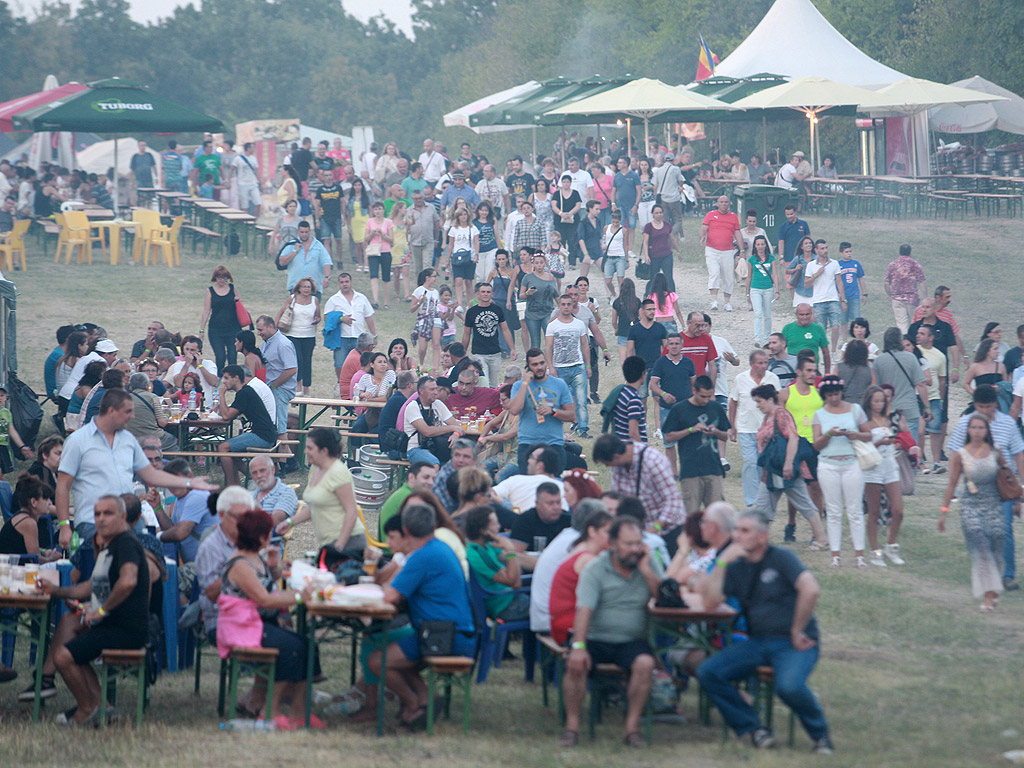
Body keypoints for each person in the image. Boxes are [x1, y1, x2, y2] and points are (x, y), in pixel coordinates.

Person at [698, 510, 833, 754]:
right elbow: (710, 603)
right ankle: (754, 728)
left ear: (762, 537)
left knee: (789, 686)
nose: (737, 536)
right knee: (709, 672)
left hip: (795, 641)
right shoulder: (737, 567)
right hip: (758, 643)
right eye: (736, 530)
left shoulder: (781, 558)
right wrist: (721, 562)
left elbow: (810, 589)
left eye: (745, 531)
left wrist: (797, 629)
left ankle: (821, 736)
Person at [56, 389, 216, 554]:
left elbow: (151, 474)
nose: (133, 416)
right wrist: (64, 526)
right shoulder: (77, 441)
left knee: (151, 560)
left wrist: (189, 483)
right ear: (111, 411)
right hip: (93, 521)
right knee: (106, 569)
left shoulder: (128, 440)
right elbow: (63, 486)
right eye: (128, 412)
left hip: (129, 519)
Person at [39, 495, 151, 726]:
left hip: (127, 628)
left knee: (63, 656)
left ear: (122, 517)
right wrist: (56, 591)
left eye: (107, 513)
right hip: (113, 624)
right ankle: (103, 707)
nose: (101, 519)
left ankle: (87, 709)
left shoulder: (126, 543)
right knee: (70, 636)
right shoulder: (109, 545)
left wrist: (101, 611)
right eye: (97, 513)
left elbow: (128, 581)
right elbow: (88, 587)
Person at [368, 503, 476, 730]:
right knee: (395, 654)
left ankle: (415, 705)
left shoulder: (422, 556)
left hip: (445, 635)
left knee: (378, 661)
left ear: (406, 530)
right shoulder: (439, 547)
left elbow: (389, 596)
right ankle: (426, 699)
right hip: (456, 631)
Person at [558, 516, 660, 749]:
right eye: (628, 544)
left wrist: (645, 570)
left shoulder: (646, 565)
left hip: (631, 641)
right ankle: (572, 727)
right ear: (613, 544)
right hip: (595, 638)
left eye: (638, 543)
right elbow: (584, 610)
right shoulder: (595, 569)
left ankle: (632, 729)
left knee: (645, 663)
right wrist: (579, 647)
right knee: (576, 664)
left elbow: (662, 600)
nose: (635, 549)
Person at [219, 509, 320, 729]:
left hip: (257, 623)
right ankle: (269, 712)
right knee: (292, 648)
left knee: (308, 645)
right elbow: (264, 598)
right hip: (242, 628)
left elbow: (266, 583)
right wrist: (300, 597)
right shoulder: (240, 565)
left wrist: (274, 566)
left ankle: (298, 711)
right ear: (262, 536)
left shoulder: (253, 557)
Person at [949, 384, 1024, 591]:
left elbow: (1018, 454)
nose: (984, 411)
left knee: (1004, 529)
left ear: (995, 405)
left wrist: (1021, 487)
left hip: (1002, 484)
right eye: (980, 407)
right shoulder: (966, 423)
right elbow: (955, 455)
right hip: (976, 485)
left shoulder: (1007, 424)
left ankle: (1006, 575)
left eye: (988, 407)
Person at [811, 374, 871, 568]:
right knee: (834, 511)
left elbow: (869, 434)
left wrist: (856, 435)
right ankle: (835, 555)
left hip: (851, 463)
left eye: (836, 394)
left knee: (855, 510)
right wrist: (829, 434)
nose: (834, 398)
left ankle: (859, 555)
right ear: (825, 395)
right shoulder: (819, 415)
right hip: (828, 464)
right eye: (830, 395)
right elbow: (816, 444)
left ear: (841, 393)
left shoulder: (855, 410)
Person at [281, 427, 364, 553]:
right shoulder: (316, 469)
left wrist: (339, 546)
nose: (305, 452)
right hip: (329, 543)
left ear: (324, 451)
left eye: (310, 448)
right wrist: (289, 523)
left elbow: (351, 511)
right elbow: (314, 506)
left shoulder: (338, 472)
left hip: (349, 542)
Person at [593, 434, 686, 541]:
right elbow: (617, 498)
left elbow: (673, 501)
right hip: (638, 529)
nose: (608, 467)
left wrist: (655, 528)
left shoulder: (653, 462)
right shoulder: (619, 465)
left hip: (667, 530)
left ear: (617, 457)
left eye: (607, 464)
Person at [663, 375, 730, 513]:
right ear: (694, 390)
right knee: (690, 515)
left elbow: (725, 436)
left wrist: (715, 431)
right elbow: (669, 437)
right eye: (703, 396)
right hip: (690, 470)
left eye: (709, 396)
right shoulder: (679, 409)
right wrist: (691, 430)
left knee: (717, 515)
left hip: (713, 469)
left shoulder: (715, 408)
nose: (706, 400)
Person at [857, 386, 907, 567]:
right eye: (876, 401)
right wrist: (879, 442)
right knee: (874, 512)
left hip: (890, 465)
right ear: (869, 402)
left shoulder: (889, 419)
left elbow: (903, 433)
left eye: (882, 401)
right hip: (872, 468)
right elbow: (863, 448)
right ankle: (875, 551)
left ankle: (891, 545)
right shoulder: (865, 423)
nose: (879, 404)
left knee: (898, 510)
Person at [548, 508, 613, 644]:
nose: (613, 537)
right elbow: (608, 593)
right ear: (592, 532)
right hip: (570, 625)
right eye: (608, 532)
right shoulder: (588, 559)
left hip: (562, 620)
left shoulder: (580, 549)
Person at [508, 349, 575, 474]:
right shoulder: (519, 386)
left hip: (553, 444)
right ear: (528, 367)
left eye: (542, 363)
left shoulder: (559, 384)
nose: (539, 367)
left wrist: (553, 411)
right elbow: (514, 410)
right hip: (527, 444)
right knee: (528, 487)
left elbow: (571, 416)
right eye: (534, 364)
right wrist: (525, 383)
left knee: (552, 486)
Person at [729, 350, 781, 508]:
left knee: (764, 464)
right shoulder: (740, 379)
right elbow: (733, 402)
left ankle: (764, 496)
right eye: (760, 363)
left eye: (766, 363)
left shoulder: (773, 379)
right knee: (751, 463)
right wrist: (732, 426)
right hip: (746, 428)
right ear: (751, 363)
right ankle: (752, 500)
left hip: (767, 430)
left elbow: (778, 403)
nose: (764, 366)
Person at [211, 365, 278, 485]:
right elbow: (229, 412)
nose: (223, 382)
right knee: (232, 453)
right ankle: (249, 481)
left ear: (236, 378)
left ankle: (231, 487)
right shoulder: (245, 391)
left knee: (222, 448)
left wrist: (221, 395)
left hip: (263, 436)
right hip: (265, 433)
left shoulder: (244, 393)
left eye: (226, 378)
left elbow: (226, 416)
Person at [465, 505, 530, 620]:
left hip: (511, 597)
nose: (499, 527)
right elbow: (514, 583)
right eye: (494, 523)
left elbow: (517, 576)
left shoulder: (487, 545)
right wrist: (510, 550)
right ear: (482, 530)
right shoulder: (478, 553)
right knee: (551, 607)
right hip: (505, 605)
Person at [545, 294, 592, 439]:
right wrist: (551, 367)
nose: (565, 307)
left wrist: (588, 365)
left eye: (568, 304)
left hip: (577, 366)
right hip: (559, 367)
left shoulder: (579, 324)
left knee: (581, 399)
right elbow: (548, 348)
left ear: (573, 306)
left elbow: (585, 345)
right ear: (559, 306)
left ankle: (583, 427)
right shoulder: (552, 326)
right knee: (557, 400)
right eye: (563, 304)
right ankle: (553, 428)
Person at [256, 315, 299, 472]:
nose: (259, 333)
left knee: (280, 427)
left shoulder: (283, 344)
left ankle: (283, 464)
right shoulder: (266, 344)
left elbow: (292, 369)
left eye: (261, 330)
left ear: (271, 327)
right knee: (276, 425)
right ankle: (290, 462)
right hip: (273, 389)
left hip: (280, 390)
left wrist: (274, 385)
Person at [874, 327, 930, 438]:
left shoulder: (879, 361)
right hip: (909, 407)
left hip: (888, 409)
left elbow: (876, 387)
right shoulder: (911, 358)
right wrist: (927, 407)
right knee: (911, 445)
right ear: (900, 341)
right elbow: (921, 384)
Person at [323, 272, 376, 379]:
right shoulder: (334, 299)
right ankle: (340, 382)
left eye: (347, 281)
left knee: (362, 363)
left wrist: (374, 336)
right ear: (339, 284)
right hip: (341, 337)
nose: (344, 284)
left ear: (351, 282)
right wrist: (341, 319)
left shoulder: (361, 298)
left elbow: (369, 317)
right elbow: (326, 318)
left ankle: (360, 383)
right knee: (339, 363)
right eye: (342, 282)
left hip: (359, 337)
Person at [462, 282, 516, 387]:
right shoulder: (471, 312)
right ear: (477, 294)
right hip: (478, 353)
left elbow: (505, 329)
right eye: (483, 292)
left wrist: (512, 348)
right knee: (484, 383)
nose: (485, 294)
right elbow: (466, 334)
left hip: (495, 352)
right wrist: (463, 352)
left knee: (493, 385)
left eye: (488, 292)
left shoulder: (497, 309)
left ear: (492, 294)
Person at [404, 375, 463, 466]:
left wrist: (456, 434)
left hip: (437, 447)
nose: (436, 393)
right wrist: (451, 428)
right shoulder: (413, 407)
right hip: (417, 449)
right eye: (432, 390)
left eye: (436, 389)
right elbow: (427, 431)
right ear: (421, 390)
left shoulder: (438, 404)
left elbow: (458, 427)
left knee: (459, 463)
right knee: (434, 464)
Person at [277, 277, 320, 398]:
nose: (306, 289)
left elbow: (318, 315)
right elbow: (281, 312)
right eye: (304, 287)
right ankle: (298, 387)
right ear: (299, 288)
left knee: (307, 361)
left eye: (308, 287)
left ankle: (307, 388)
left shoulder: (314, 300)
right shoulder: (292, 298)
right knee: (298, 361)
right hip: (293, 334)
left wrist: (317, 320)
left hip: (309, 335)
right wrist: (276, 326)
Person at [700, 195, 745, 312]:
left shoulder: (733, 217)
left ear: (729, 204)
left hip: (728, 250)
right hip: (712, 250)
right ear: (718, 203)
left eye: (726, 202)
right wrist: (702, 236)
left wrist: (742, 250)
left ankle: (727, 302)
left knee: (728, 276)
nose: (724, 204)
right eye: (722, 202)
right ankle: (714, 300)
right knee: (714, 273)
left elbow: (737, 233)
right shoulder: (710, 215)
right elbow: (703, 228)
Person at [803, 239, 845, 356]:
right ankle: (824, 352)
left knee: (836, 326)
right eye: (822, 248)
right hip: (818, 301)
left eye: (826, 248)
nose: (825, 250)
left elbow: (839, 281)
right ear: (816, 250)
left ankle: (833, 351)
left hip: (833, 299)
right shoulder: (811, 265)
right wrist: (816, 274)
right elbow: (806, 284)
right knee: (822, 330)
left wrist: (843, 299)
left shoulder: (834, 263)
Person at [0, 473, 58, 559]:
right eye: (46, 499)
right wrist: (52, 559)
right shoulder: (28, 523)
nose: (50, 503)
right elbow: (34, 559)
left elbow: (31, 548)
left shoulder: (24, 517)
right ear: (33, 502)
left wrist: (44, 552)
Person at [278, 221, 332, 297]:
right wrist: (295, 251)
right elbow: (282, 262)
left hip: (314, 287)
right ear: (298, 232)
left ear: (309, 231)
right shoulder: (292, 244)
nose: (304, 234)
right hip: (296, 286)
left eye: (306, 232)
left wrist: (326, 277)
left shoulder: (318, 246)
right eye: (302, 232)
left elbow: (326, 262)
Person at [883, 244, 926, 334]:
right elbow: (922, 282)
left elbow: (886, 283)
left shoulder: (892, 265)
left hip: (897, 298)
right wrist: (925, 298)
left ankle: (905, 344)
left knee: (902, 325)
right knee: (915, 323)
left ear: (899, 252)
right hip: (912, 299)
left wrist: (890, 294)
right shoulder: (915, 264)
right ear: (910, 253)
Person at [747, 236, 780, 347]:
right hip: (755, 289)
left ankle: (767, 339)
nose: (760, 247)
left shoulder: (771, 258)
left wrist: (777, 290)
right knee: (758, 313)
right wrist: (747, 293)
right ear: (755, 246)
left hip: (768, 289)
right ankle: (757, 338)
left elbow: (774, 274)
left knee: (767, 315)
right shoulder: (752, 259)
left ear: (765, 245)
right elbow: (749, 276)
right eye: (758, 244)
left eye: (762, 244)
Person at [640, 204, 679, 292]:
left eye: (660, 212)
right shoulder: (648, 227)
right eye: (656, 213)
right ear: (653, 214)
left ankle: (672, 298)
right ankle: (649, 296)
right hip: (654, 255)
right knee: (653, 278)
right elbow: (645, 242)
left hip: (666, 255)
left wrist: (678, 251)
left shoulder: (667, 225)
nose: (659, 214)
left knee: (669, 277)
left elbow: (672, 239)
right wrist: (646, 256)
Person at [782, 304, 830, 371]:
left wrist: (827, 372)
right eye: (801, 315)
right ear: (796, 314)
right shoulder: (788, 328)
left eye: (807, 314)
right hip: (793, 370)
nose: (804, 317)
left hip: (812, 371)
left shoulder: (819, 329)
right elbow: (781, 350)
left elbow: (826, 352)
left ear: (811, 314)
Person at [611, 356, 648, 443]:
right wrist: (643, 452)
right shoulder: (634, 399)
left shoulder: (622, 393)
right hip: (631, 451)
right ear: (642, 374)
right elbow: (633, 433)